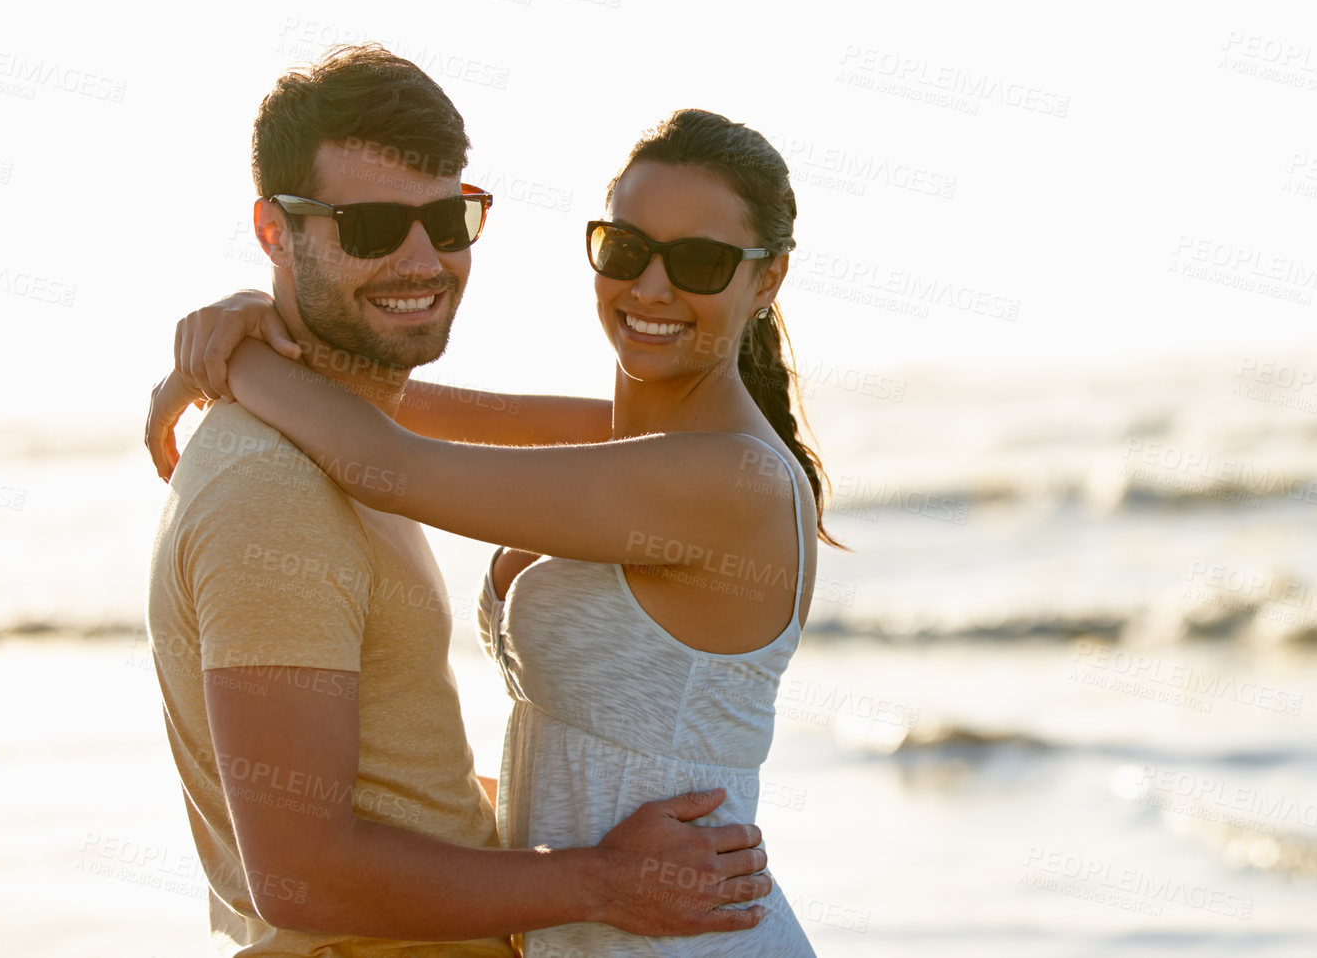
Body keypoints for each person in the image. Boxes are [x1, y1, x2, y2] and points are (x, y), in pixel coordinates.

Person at [151, 107, 837, 955]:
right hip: (590, 928)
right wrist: (257, 310)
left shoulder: (730, 484)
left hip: (686, 935)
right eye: (626, 251)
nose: (652, 288)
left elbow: (387, 462)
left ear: (765, 281)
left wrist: (235, 359)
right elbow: (380, 397)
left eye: (699, 262)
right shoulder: (627, 446)